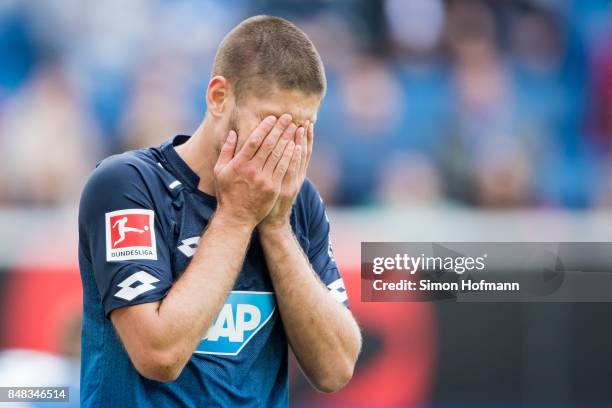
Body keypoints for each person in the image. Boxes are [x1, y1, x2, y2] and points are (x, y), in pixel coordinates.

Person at [78, 15, 361, 407]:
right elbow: (159, 355)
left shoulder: (298, 201)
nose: (283, 146)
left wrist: (277, 225)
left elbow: (335, 369)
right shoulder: (129, 184)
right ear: (218, 97)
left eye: (302, 128)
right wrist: (238, 215)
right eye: (270, 122)